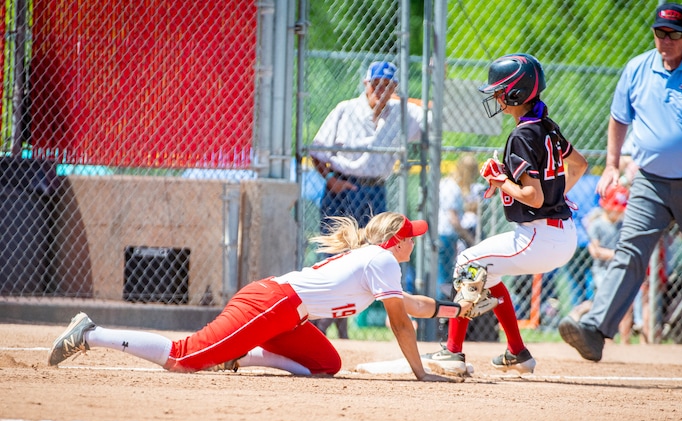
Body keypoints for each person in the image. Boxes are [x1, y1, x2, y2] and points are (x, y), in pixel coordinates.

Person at [48, 212, 475, 382]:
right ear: (397, 242)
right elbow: (399, 322)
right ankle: (90, 333)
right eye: (411, 237)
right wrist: (421, 373)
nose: (414, 241)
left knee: (326, 365)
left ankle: (238, 355)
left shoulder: (378, 261)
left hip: (289, 314)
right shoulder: (383, 259)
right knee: (184, 356)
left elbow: (412, 307)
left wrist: (456, 308)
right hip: (273, 302)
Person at [422, 53, 588, 375]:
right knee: (488, 272)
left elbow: (533, 196)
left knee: (467, 262)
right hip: (561, 233)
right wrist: (554, 194)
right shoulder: (545, 127)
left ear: (516, 92)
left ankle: (453, 352)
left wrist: (500, 181)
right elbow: (578, 165)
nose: (496, 97)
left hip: (539, 235)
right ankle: (518, 353)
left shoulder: (521, 135)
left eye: (500, 91)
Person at [558, 3, 682, 361]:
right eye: (659, 33)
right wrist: (610, 165)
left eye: (674, 34)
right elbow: (619, 118)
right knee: (629, 253)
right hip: (649, 181)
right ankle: (593, 330)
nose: (665, 40)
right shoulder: (638, 68)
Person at [309, 61, 425, 337]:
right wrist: (331, 180)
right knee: (336, 252)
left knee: (375, 252)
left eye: (387, 85)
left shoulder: (401, 113)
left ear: (394, 88)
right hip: (343, 186)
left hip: (375, 189)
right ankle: (324, 319)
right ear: (366, 84)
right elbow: (316, 150)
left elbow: (430, 124)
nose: (380, 91)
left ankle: (355, 317)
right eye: (376, 84)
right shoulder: (346, 109)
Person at [585, 185, 629, 342]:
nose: (618, 212)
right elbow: (595, 251)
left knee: (623, 303)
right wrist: (616, 255)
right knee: (603, 301)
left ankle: (625, 341)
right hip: (602, 271)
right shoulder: (597, 224)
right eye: (615, 209)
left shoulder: (621, 225)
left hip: (618, 269)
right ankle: (580, 317)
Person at [437, 155, 478, 299]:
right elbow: (453, 220)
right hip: (446, 235)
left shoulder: (447, 183)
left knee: (444, 277)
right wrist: (469, 239)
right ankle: (441, 316)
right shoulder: (452, 188)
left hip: (446, 235)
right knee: (444, 280)